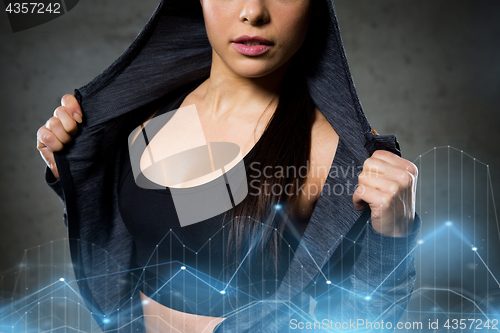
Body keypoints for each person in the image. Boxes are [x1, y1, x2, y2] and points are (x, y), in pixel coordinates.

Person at [36, 0, 421, 332]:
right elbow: (152, 233)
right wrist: (72, 171)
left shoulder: (327, 151)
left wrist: (393, 237)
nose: (253, 12)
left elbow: (364, 315)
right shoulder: (146, 113)